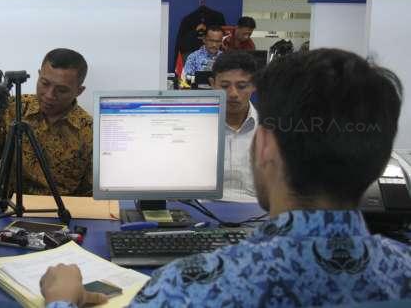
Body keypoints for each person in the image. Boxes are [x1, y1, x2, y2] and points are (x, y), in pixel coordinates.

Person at [40, 48, 411, 307]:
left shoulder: (190, 286)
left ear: (263, 145)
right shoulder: (403, 272)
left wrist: (61, 300)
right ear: (380, 163)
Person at [0, 48, 93, 196]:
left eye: (61, 90)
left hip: (62, 212)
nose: (49, 95)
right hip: (9, 207)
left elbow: (91, 191)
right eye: (45, 83)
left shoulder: (89, 131)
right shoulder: (14, 108)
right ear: (38, 75)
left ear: (79, 91)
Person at [209, 51, 258, 200]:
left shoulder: (270, 129)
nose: (233, 94)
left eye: (242, 86)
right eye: (224, 86)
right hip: (203, 211)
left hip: (256, 212)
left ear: (254, 85)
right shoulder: (197, 128)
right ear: (212, 84)